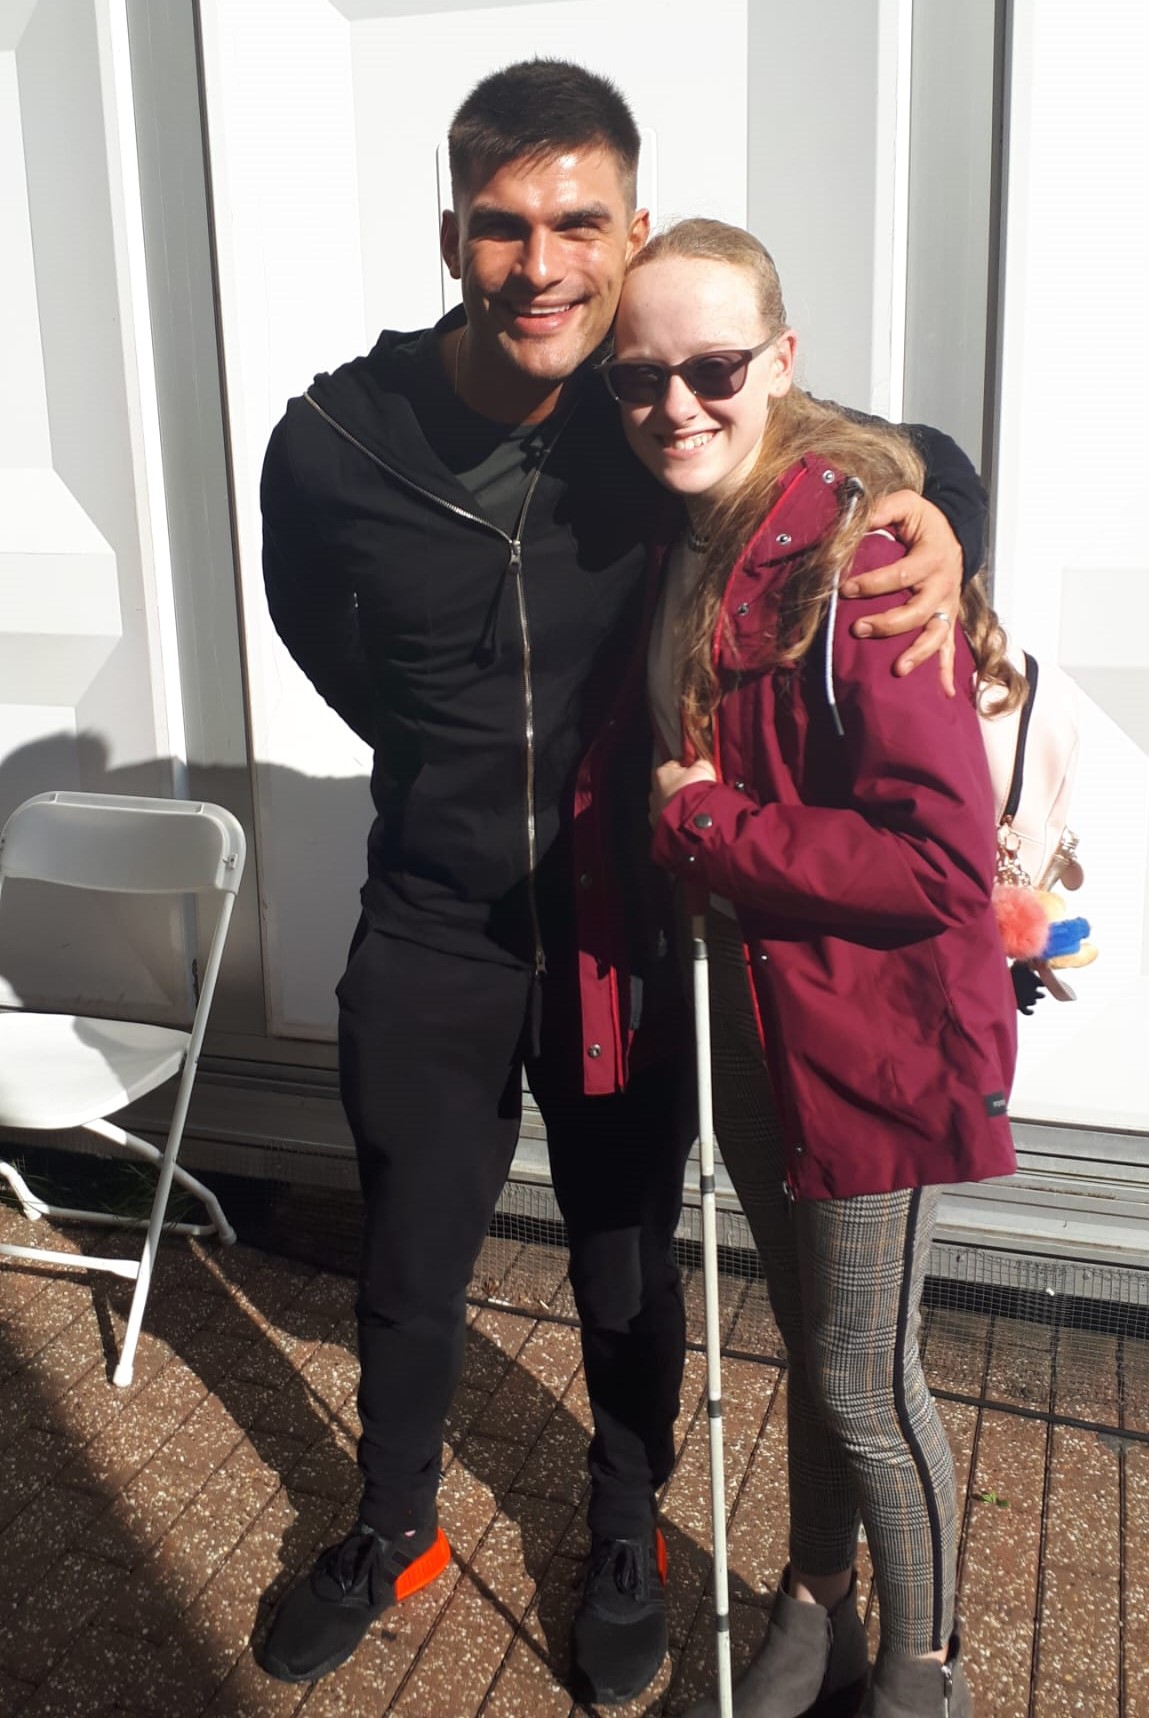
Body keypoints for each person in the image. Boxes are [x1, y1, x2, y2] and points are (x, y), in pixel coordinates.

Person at [257, 61, 989, 1702]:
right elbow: (326, 643)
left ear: (631, 228)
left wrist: (943, 516)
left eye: (579, 222)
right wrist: (444, 764)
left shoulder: (652, 403)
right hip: (435, 923)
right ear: (450, 234)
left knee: (623, 1254)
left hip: (621, 933)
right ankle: (392, 1526)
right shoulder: (329, 442)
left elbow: (876, 447)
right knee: (409, 1255)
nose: (543, 264)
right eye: (504, 226)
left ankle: (624, 1525)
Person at [607, 217, 1018, 1717]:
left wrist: (714, 829)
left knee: (862, 1372)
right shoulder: (696, 520)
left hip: (870, 1036)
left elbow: (939, 862)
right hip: (754, 1020)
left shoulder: (860, 545)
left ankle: (927, 1664)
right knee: (816, 1348)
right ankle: (818, 1599)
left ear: (781, 359)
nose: (675, 404)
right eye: (639, 378)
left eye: (713, 367)